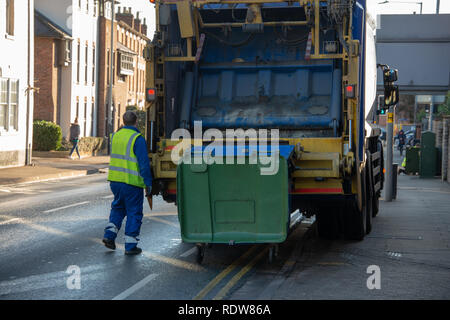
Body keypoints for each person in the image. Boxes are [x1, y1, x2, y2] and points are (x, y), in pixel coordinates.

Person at [102, 111, 153, 255]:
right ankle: (130, 246)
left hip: (115, 181)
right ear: (136, 122)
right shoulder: (138, 138)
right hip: (131, 183)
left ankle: (109, 236)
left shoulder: (116, 136)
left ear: (124, 122)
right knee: (134, 212)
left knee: (118, 208)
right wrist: (148, 183)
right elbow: (143, 164)